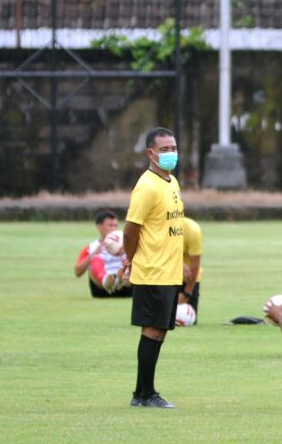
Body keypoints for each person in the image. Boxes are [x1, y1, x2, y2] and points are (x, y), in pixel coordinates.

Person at [123, 127, 186, 409]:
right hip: (152, 270)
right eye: (164, 149)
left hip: (169, 270)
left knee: (159, 331)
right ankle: (143, 394)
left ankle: (145, 392)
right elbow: (131, 229)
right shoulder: (147, 186)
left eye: (173, 148)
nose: (171, 153)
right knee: (151, 330)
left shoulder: (171, 181)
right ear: (151, 153)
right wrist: (130, 257)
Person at [74, 210, 133, 298]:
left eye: (115, 225)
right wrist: (94, 253)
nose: (113, 228)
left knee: (133, 260)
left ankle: (119, 280)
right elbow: (77, 272)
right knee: (95, 259)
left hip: (127, 286)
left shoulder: (126, 245)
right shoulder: (92, 247)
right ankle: (106, 280)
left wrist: (127, 253)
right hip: (102, 290)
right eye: (110, 225)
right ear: (99, 227)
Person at [178, 217, 203, 321]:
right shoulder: (158, 227)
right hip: (164, 278)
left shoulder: (192, 230)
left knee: (187, 321)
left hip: (188, 279)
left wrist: (187, 293)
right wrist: (177, 263)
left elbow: (195, 265)